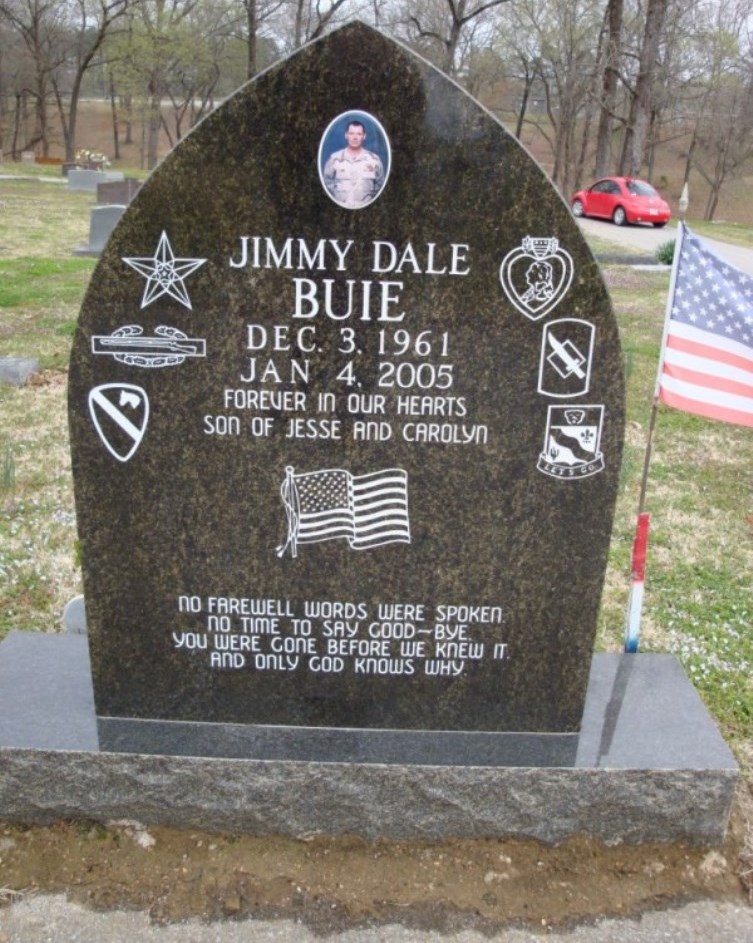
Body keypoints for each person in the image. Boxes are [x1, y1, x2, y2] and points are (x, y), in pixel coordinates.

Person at [322, 120, 385, 208]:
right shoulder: (334, 159)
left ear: (364, 136)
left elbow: (380, 185)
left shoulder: (374, 160)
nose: (355, 137)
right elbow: (326, 184)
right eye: (351, 133)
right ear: (346, 135)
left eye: (359, 134)